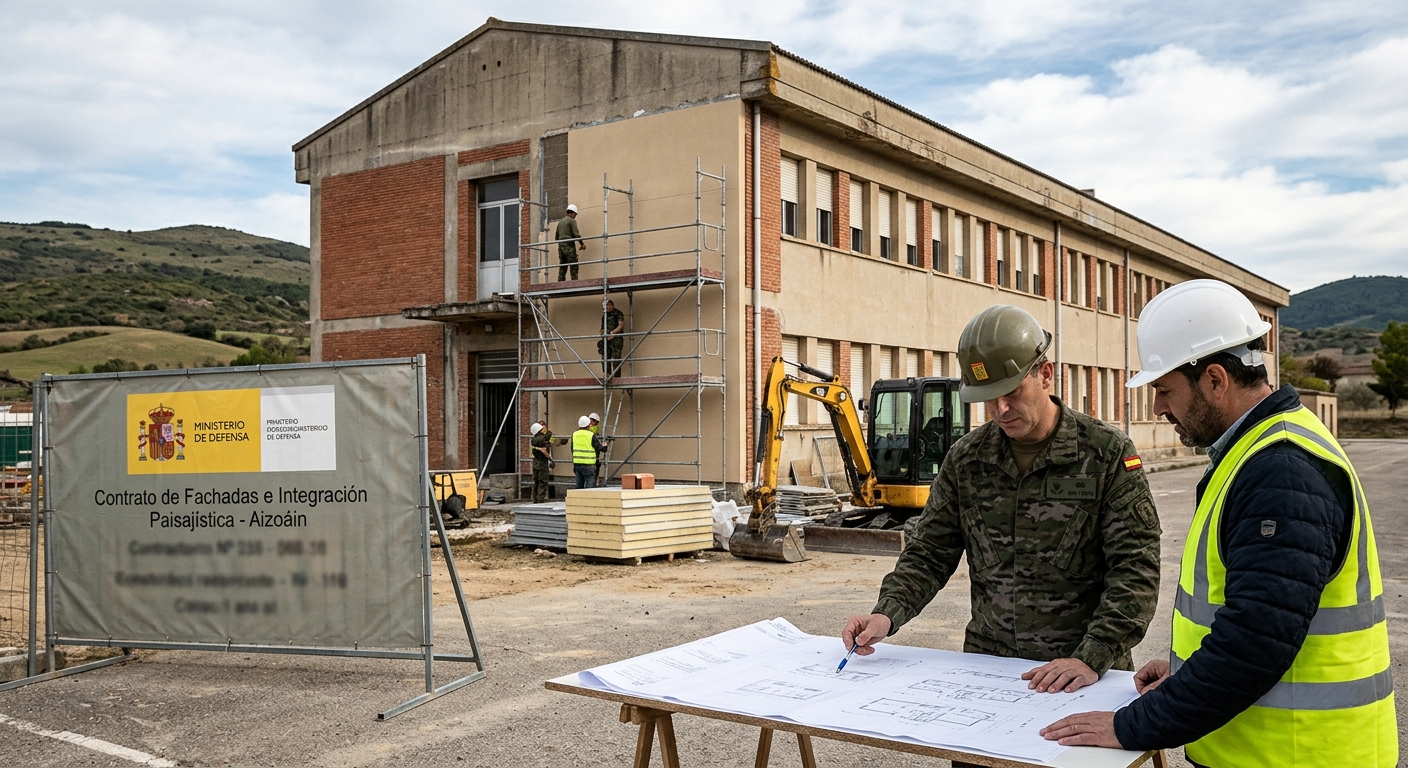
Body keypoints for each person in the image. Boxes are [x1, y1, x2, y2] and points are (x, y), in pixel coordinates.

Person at [1041, 280, 1396, 768]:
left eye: (1165, 390)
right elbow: (1263, 612)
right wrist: (1187, 672)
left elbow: (1254, 643)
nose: (1157, 408)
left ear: (1214, 379)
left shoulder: (1281, 471)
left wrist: (1130, 726)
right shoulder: (1263, 450)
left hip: (1298, 754)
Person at [841, 305, 1161, 768]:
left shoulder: (1106, 454)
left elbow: (1136, 569)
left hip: (1080, 678)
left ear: (1046, 374)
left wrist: (1093, 656)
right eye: (988, 399)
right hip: (989, 678)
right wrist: (885, 615)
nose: (1000, 410)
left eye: (1011, 392)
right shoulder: (966, 459)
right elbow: (930, 552)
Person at [529, 421, 567, 503]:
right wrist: (550, 458)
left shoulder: (534, 439)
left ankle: (534, 499)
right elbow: (544, 448)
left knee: (536, 481)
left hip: (535, 462)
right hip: (542, 462)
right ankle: (540, 499)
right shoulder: (541, 438)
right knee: (543, 481)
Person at [555, 204, 585, 281]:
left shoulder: (560, 222)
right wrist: (582, 244)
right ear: (572, 213)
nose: (575, 216)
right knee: (573, 263)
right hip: (569, 244)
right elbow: (576, 234)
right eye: (575, 214)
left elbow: (556, 236)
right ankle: (574, 282)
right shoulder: (572, 221)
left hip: (561, 245)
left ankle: (560, 282)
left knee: (563, 264)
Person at [600, 299, 625, 378]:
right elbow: (602, 328)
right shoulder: (604, 315)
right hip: (607, 340)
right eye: (606, 305)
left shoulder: (617, 313)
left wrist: (613, 333)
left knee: (616, 358)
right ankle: (607, 374)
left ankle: (617, 376)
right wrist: (602, 332)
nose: (608, 307)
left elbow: (621, 325)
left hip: (616, 339)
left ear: (612, 305)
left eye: (609, 305)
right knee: (605, 356)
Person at [571, 415, 597, 489]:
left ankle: (578, 500)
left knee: (579, 487)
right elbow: (599, 447)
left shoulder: (574, 434)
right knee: (590, 489)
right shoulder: (591, 435)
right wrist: (605, 446)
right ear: (588, 425)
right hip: (589, 464)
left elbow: (572, 449)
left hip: (577, 464)